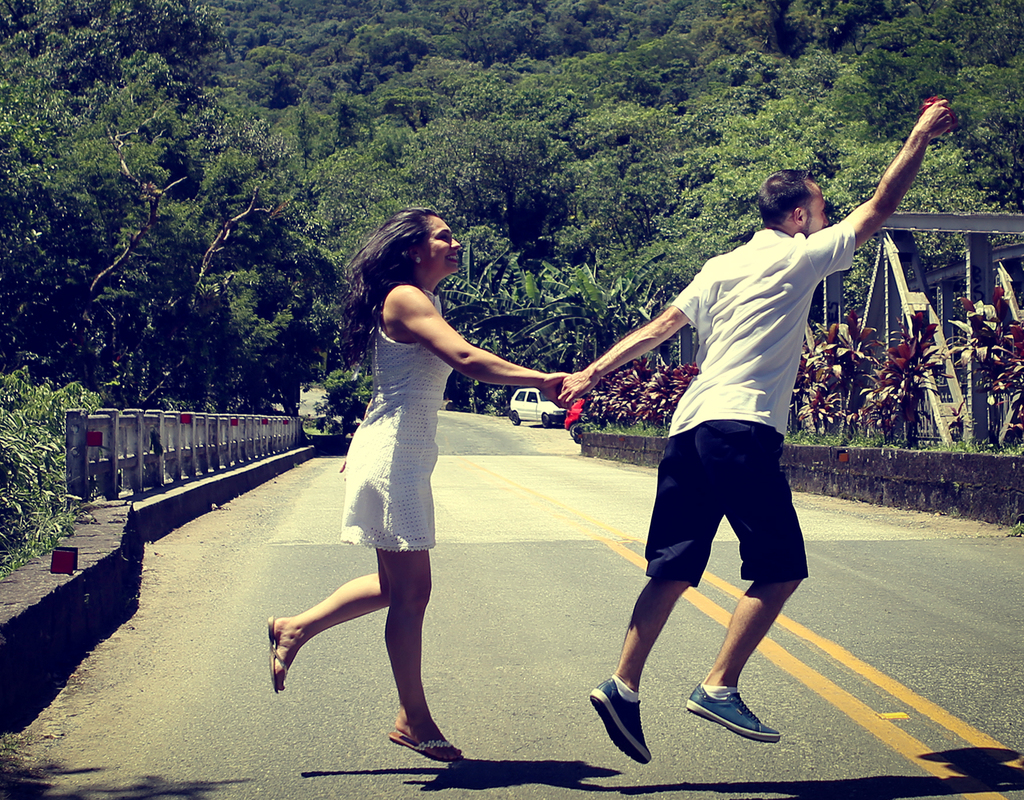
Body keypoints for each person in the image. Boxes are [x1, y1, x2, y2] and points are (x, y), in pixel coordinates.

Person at [558, 99, 959, 763]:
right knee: (780, 567)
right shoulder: (801, 256)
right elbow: (881, 206)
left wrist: (589, 374)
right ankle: (718, 684)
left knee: (674, 566)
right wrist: (918, 136)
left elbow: (659, 329)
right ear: (798, 216)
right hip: (741, 428)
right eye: (821, 210)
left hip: (689, 429)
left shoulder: (719, 266)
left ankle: (622, 685)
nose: (827, 220)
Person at [267, 208, 566, 763]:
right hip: (395, 460)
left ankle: (295, 627)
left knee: (395, 588)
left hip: (397, 454)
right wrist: (543, 379)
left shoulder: (421, 300)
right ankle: (413, 718)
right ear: (413, 249)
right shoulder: (406, 296)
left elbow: (390, 383)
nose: (456, 243)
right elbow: (465, 358)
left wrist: (362, 440)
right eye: (443, 236)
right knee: (410, 593)